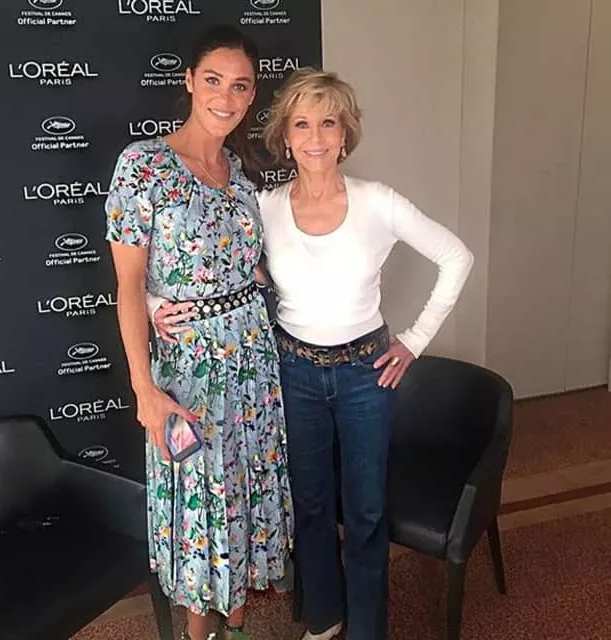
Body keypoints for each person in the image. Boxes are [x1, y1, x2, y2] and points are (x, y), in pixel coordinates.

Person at [152, 68, 474, 640]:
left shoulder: (379, 202)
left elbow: (456, 257)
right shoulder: (265, 207)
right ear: (286, 136)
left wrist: (415, 339)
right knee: (311, 506)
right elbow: (212, 267)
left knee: (367, 512)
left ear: (345, 134)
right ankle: (324, 620)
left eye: (328, 123)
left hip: (365, 375)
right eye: (302, 124)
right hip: (293, 372)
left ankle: (368, 629)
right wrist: (155, 302)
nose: (316, 137)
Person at [104, 25, 294, 640]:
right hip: (190, 370)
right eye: (213, 80)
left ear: (252, 94)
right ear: (189, 81)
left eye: (240, 85)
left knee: (244, 495)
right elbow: (129, 285)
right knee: (201, 501)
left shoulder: (239, 172)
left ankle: (235, 629)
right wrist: (144, 389)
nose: (225, 96)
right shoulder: (144, 167)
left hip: (254, 364)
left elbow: (249, 264)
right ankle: (197, 634)